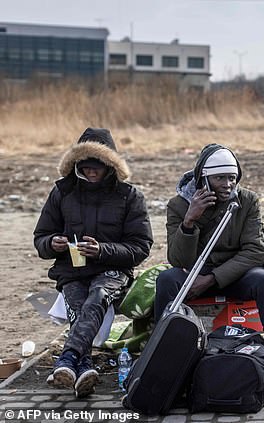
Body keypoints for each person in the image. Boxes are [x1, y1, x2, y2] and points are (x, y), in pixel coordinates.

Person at [154, 143, 264, 389]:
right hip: (192, 274)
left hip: (232, 275)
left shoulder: (246, 201)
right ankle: (163, 357)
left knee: (263, 279)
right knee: (166, 280)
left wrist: (213, 278)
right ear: (203, 179)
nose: (227, 184)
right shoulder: (179, 205)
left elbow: (255, 250)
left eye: (232, 178)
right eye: (219, 178)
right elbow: (178, 260)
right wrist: (189, 221)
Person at [33, 128, 153, 397]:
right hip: (71, 270)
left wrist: (102, 250)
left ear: (109, 166)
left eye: (96, 168)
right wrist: (52, 243)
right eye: (84, 168)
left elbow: (141, 246)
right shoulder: (62, 192)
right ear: (77, 166)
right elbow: (40, 237)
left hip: (112, 269)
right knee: (77, 304)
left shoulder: (129, 196)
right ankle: (84, 366)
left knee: (97, 296)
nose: (90, 173)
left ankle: (67, 359)